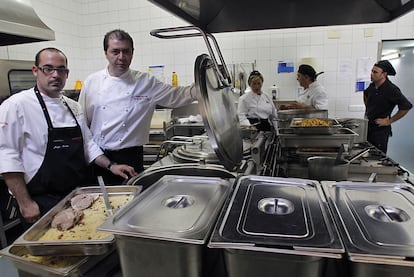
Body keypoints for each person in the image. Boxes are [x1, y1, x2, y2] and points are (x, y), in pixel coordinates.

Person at [0, 47, 137, 225]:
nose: (55, 74)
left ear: (67, 73)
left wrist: (111, 166)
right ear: (36, 70)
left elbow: (88, 145)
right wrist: (25, 203)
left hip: (76, 194)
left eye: (61, 69)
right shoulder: (16, 106)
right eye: (48, 68)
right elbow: (7, 157)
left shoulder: (73, 106)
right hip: (41, 200)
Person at [78, 29, 197, 184]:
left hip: (131, 157)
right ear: (106, 53)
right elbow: (81, 126)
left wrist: (201, 89)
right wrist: (103, 161)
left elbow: (177, 96)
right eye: (115, 51)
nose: (121, 57)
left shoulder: (146, 82)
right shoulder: (92, 82)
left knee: (132, 203)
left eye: (126, 51)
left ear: (132, 53)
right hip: (100, 158)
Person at [363, 60, 412, 153]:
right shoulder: (372, 86)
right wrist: (368, 110)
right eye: (371, 71)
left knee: (377, 157)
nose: (371, 74)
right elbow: (365, 94)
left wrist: (389, 121)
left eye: (375, 72)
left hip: (380, 131)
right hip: (368, 127)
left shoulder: (391, 89)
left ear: (384, 74)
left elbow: (406, 106)